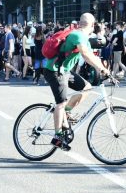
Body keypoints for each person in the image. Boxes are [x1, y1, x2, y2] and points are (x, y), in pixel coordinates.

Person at [42, 13, 112, 151]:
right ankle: (57, 137)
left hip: (64, 71)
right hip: (54, 71)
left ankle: (66, 113)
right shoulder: (77, 35)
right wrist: (101, 69)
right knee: (60, 103)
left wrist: (106, 71)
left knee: (87, 88)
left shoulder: (84, 37)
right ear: (92, 25)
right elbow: (85, 55)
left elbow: (92, 56)